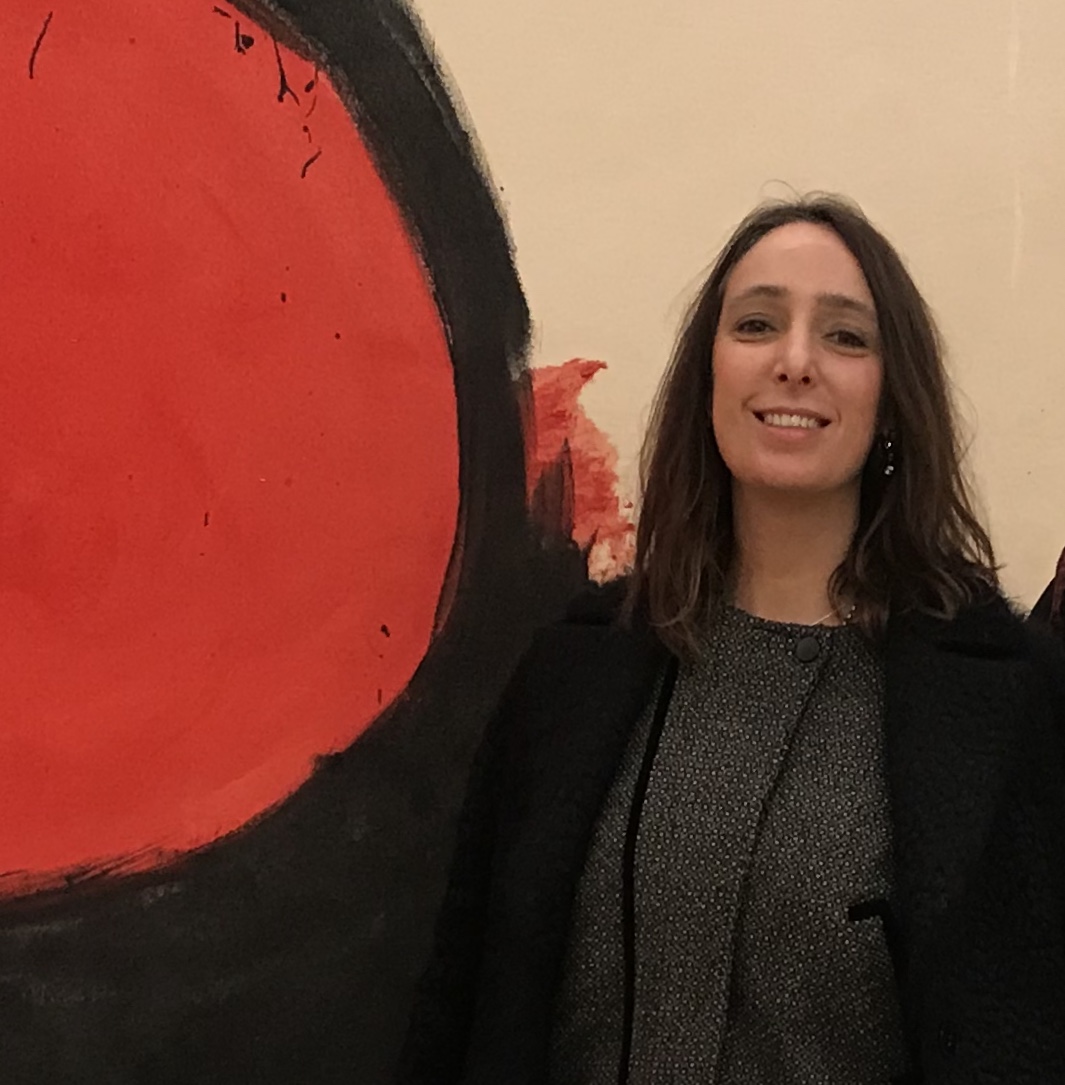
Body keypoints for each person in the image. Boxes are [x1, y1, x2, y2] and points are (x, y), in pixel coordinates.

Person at [398, 196, 1065, 1085]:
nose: (794, 361)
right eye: (756, 324)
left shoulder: (1005, 710)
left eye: (844, 336)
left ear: (890, 399)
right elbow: (461, 1003)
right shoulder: (571, 676)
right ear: (707, 373)